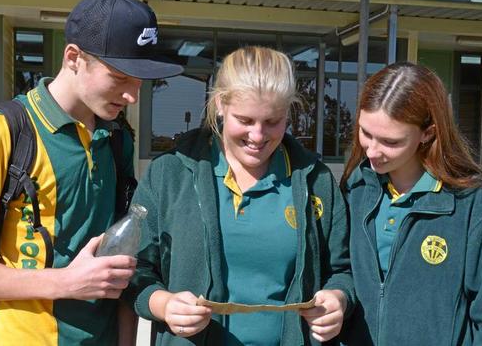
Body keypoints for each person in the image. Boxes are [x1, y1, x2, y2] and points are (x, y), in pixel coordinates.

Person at [0, 0, 182, 345]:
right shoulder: (1, 132)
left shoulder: (118, 139)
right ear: (74, 58)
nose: (132, 96)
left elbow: (121, 267)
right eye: (120, 77)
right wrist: (65, 282)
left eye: (140, 81)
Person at [124, 46, 355, 345]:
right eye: (245, 120)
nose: (258, 136)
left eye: (272, 121)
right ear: (220, 104)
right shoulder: (168, 174)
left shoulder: (316, 180)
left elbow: (343, 271)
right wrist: (163, 305)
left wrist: (338, 300)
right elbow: (133, 270)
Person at [339, 62, 482, 345]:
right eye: (366, 133)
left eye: (390, 141)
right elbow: (340, 272)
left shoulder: (469, 203)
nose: (372, 151)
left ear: (428, 133)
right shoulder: (355, 188)